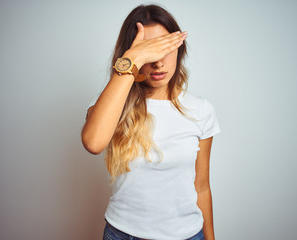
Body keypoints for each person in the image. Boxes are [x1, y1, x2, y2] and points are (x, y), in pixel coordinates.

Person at [81, 4, 220, 240]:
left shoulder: (201, 110)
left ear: (179, 49)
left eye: (164, 48)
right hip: (121, 234)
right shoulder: (111, 104)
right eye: (149, 51)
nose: (158, 62)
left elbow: (202, 186)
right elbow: (93, 143)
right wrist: (132, 60)